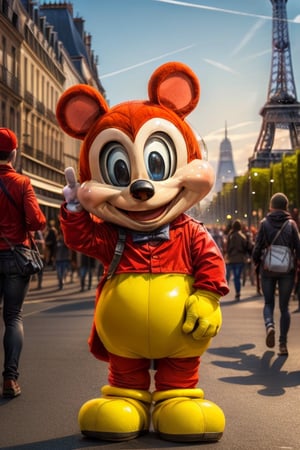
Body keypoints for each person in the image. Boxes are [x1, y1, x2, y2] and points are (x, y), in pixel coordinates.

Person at [0, 128, 46, 397]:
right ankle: (10, 379)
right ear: (14, 154)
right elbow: (38, 221)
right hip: (17, 256)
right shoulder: (21, 183)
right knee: (13, 316)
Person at [252, 193, 300, 356]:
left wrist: (256, 262)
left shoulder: (264, 223)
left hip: (268, 269)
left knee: (268, 303)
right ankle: (282, 344)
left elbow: (257, 247)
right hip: (287, 270)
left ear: (271, 206)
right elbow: (298, 248)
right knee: (284, 307)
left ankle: (269, 325)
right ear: (286, 207)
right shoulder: (291, 224)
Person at [225, 219, 250, 300]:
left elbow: (228, 247)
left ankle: (226, 284)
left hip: (232, 258)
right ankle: (238, 292)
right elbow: (246, 247)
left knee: (229, 273)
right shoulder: (243, 236)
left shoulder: (230, 235)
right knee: (237, 276)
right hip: (240, 258)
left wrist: (228, 254)